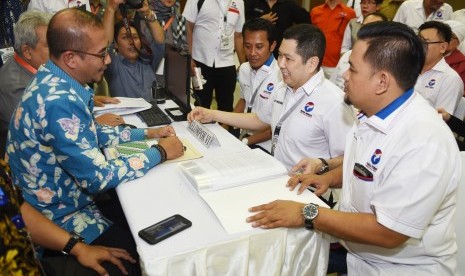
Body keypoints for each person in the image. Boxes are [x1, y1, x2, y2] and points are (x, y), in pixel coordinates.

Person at [247, 21, 461, 275]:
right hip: (358, 257)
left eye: (352, 69)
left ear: (382, 82)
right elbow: (365, 168)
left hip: (401, 268)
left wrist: (307, 212)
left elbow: (389, 231)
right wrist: (326, 177)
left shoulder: (423, 140)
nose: (344, 76)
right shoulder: (371, 116)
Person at [6, 7, 184, 275]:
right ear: (71, 58)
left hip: (67, 203)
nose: (109, 61)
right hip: (60, 220)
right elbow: (97, 178)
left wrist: (146, 133)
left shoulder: (56, 80)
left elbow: (87, 134)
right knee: (143, 252)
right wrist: (159, 152)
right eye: (102, 54)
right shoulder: (60, 101)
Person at [188, 24, 355, 202]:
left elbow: (350, 158)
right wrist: (213, 114)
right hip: (278, 180)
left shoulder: (333, 102)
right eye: (280, 55)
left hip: (308, 194)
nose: (280, 64)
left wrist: (321, 166)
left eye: (288, 58)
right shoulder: (284, 86)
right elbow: (261, 119)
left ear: (311, 63)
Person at [0, 10, 120, 158]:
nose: (59, 50)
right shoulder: (16, 86)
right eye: (51, 45)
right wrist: (94, 124)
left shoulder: (37, 71)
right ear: (27, 51)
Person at [0, 159, 136, 275]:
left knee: (120, 260)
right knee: (127, 254)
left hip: (31, 262)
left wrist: (77, 248)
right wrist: (156, 152)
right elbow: (96, 178)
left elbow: (15, 208)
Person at [183, 0, 246, 111]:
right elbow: (187, 28)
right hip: (199, 63)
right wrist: (189, 58)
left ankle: (225, 128)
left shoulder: (239, 2)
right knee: (201, 105)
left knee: (226, 107)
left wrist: (244, 65)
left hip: (227, 63)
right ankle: (200, 128)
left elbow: (238, 36)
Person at [234, 18, 282, 152]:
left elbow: (275, 127)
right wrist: (224, 127)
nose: (252, 53)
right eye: (247, 46)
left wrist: (245, 141)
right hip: (243, 136)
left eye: (259, 47)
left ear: (272, 46)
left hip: (266, 145)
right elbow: (244, 101)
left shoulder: (282, 76)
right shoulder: (244, 69)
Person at [103, 0, 165, 100]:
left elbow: (160, 42)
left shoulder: (149, 60)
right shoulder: (113, 64)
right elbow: (105, 44)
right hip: (127, 115)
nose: (131, 42)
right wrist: (110, 9)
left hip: (153, 113)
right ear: (116, 45)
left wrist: (148, 13)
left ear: (140, 42)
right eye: (125, 37)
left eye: (135, 37)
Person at [331, 12, 388, 89]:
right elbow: (332, 84)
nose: (367, 32)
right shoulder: (347, 55)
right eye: (364, 27)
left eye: (373, 28)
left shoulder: (387, 61)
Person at [416, 20, 463, 114]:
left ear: (443, 47)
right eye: (417, 40)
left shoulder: (450, 79)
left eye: (425, 42)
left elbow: (441, 119)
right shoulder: (406, 67)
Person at [244, 0, 310, 58]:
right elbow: (243, 25)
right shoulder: (251, 2)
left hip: (281, 52)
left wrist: (295, 38)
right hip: (255, 52)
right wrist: (261, 20)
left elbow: (308, 21)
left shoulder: (289, 3)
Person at [310, 0, 356, 79]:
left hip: (337, 64)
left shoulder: (350, 13)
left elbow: (351, 39)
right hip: (316, 62)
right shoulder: (315, 11)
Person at [444, 20, 465, 92]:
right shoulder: (427, 53)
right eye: (444, 35)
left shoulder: (462, 63)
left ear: (459, 41)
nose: (446, 39)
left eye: (451, 36)